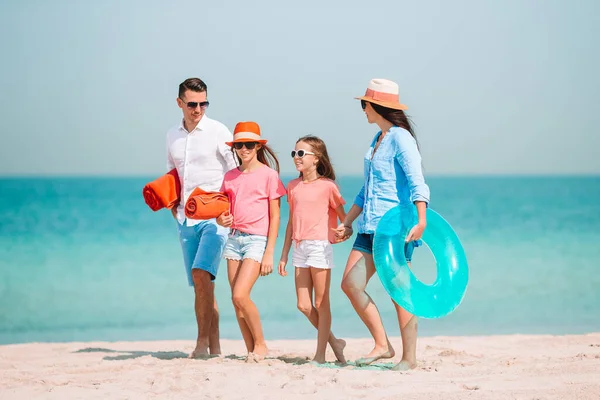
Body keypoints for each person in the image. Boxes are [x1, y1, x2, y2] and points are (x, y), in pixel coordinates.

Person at [334, 78, 430, 371]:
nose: (363, 109)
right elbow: (366, 189)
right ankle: (383, 344)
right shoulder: (377, 140)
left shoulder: (401, 138)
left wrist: (422, 220)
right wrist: (348, 222)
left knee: (400, 293)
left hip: (393, 228)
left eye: (365, 104)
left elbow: (417, 181)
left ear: (377, 106)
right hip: (368, 227)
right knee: (350, 284)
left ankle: (410, 358)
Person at [166, 77, 237, 358]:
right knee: (202, 285)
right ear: (180, 103)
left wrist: (232, 212)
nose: (198, 109)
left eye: (203, 103)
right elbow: (172, 171)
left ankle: (201, 342)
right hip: (185, 219)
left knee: (200, 275)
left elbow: (234, 173)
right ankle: (216, 346)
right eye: (193, 104)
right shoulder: (172, 134)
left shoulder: (219, 131)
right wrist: (172, 201)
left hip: (216, 219)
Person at [216, 121, 286, 362]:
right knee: (236, 302)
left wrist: (270, 252)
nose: (243, 149)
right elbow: (222, 210)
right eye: (239, 145)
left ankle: (261, 344)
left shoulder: (269, 175)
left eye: (248, 144)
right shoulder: (229, 177)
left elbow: (276, 216)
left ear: (257, 146)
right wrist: (222, 219)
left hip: (257, 240)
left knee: (240, 295)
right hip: (234, 239)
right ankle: (251, 351)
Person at [278, 135, 349, 364]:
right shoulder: (292, 186)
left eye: (301, 153)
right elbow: (291, 222)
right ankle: (335, 341)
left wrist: (343, 231)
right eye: (294, 153)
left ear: (316, 158)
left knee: (321, 302)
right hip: (299, 247)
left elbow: (344, 220)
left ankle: (320, 355)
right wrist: (283, 255)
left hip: (319, 246)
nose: (296, 158)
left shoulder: (328, 187)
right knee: (303, 305)